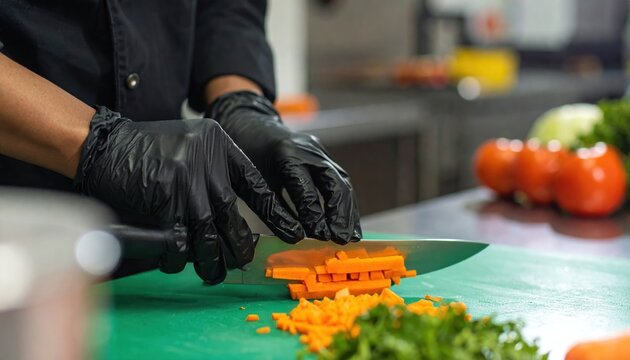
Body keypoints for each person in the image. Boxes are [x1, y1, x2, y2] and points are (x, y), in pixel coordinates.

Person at [0, 1, 361, 284]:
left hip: (153, 262)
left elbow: (224, 7)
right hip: (16, 250)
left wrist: (240, 103)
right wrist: (96, 143)